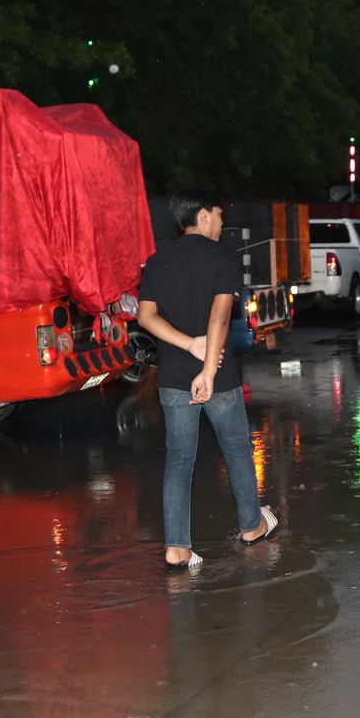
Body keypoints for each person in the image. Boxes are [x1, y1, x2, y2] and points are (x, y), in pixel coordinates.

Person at [137, 188, 278, 571]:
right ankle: (251, 526)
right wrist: (209, 370)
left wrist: (189, 345)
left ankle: (177, 548)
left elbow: (145, 317)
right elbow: (219, 317)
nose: (221, 222)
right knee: (236, 450)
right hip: (219, 377)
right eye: (218, 214)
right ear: (202, 215)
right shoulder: (223, 257)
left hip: (172, 376)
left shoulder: (157, 260)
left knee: (179, 460)